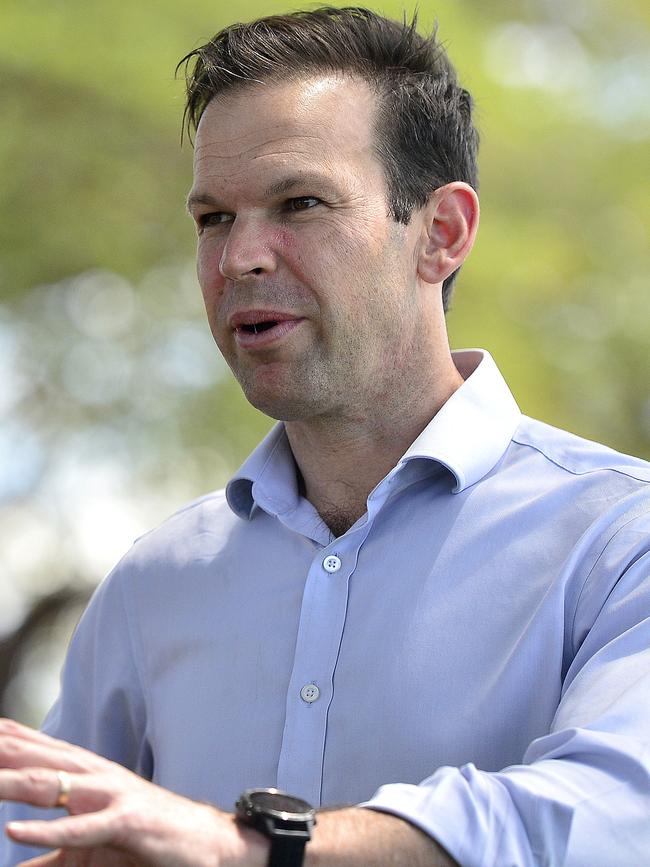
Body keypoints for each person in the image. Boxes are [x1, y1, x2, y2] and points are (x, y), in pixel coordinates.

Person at [2, 6, 650, 866]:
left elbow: (612, 816)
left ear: (441, 233)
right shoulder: (152, 586)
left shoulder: (619, 540)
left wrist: (246, 846)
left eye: (299, 203)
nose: (239, 259)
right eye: (213, 219)